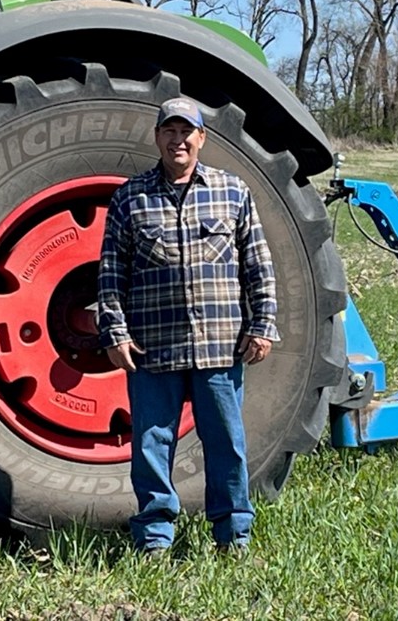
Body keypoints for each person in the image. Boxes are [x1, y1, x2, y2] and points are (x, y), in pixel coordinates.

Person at [96, 95, 279, 556]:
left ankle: (233, 533)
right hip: (153, 346)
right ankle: (155, 536)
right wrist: (115, 332)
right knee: (152, 446)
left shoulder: (232, 192)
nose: (177, 140)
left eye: (186, 132)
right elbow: (111, 273)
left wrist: (263, 324)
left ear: (202, 137)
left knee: (226, 443)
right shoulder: (130, 197)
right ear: (157, 137)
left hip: (218, 344)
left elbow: (258, 264)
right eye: (168, 131)